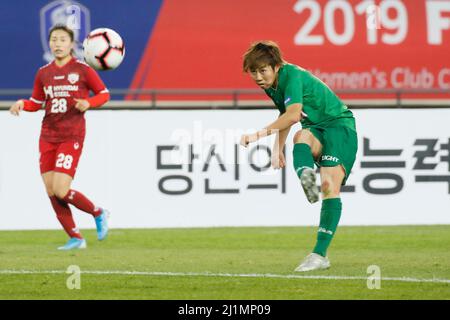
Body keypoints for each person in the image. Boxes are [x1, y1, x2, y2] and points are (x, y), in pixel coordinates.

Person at [240, 41, 358, 272]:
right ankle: (305, 174)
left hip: (339, 127)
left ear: (276, 66)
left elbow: (293, 115)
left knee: (328, 186)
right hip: (315, 128)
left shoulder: (291, 75)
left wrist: (257, 135)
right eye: (253, 71)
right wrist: (277, 148)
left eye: (262, 70)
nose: (258, 76)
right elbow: (286, 113)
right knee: (301, 136)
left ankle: (319, 255)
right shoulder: (272, 84)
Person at [9, 24, 110, 250]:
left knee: (62, 189)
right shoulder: (43, 73)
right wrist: (21, 104)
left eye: (62, 40)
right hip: (47, 136)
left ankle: (98, 212)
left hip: (71, 135)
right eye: (54, 39)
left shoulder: (83, 70)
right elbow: (36, 103)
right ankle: (76, 237)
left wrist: (88, 103)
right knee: (51, 190)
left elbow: (104, 94)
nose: (57, 44)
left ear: (71, 44)